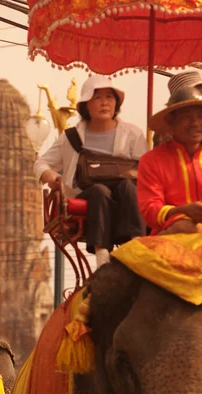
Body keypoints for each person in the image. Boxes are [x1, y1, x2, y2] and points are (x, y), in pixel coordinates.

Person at [34, 74, 148, 268]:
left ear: (117, 102)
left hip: (125, 192)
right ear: (86, 104)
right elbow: (40, 163)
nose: (105, 103)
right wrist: (52, 177)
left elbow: (146, 169)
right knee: (99, 191)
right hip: (88, 192)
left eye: (109, 97)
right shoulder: (71, 137)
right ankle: (102, 254)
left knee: (129, 187)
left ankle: (136, 246)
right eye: (98, 97)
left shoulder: (132, 134)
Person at [138, 86, 202, 235]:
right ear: (170, 122)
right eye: (186, 117)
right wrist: (181, 211)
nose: (195, 123)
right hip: (171, 236)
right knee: (184, 227)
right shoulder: (152, 160)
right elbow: (150, 211)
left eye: (200, 116)